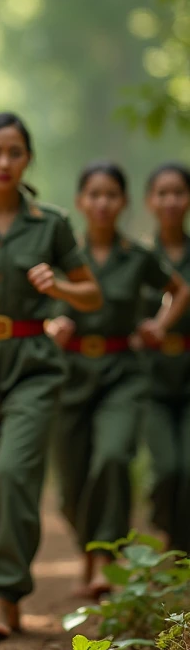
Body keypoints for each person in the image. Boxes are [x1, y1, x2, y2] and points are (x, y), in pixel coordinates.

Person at [0, 112, 102, 640]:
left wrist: (58, 287)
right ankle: (4, 573)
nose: (5, 162)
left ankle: (3, 594)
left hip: (34, 363)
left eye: (15, 152)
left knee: (13, 474)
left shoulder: (50, 223)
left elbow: (91, 294)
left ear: (26, 158)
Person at [48, 162, 189, 598]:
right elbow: (42, 301)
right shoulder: (66, 255)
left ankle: (106, 560)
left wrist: (160, 325)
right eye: (94, 194)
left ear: (124, 202)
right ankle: (89, 553)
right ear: (80, 202)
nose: (103, 203)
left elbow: (180, 289)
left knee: (111, 458)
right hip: (71, 375)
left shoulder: (137, 255)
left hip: (123, 373)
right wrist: (55, 322)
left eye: (111, 194)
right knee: (72, 480)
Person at [143, 162, 190, 553]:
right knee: (167, 471)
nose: (171, 201)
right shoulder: (139, 257)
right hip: (150, 380)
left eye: (179, 192)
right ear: (149, 201)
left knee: (189, 470)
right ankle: (165, 531)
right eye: (163, 193)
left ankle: (179, 553)